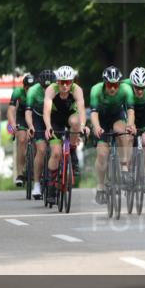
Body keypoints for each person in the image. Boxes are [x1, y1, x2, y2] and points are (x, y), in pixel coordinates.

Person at [89, 66, 136, 205]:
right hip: (101, 119)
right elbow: (93, 113)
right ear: (105, 83)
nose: (113, 89)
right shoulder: (96, 90)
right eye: (110, 85)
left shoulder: (126, 90)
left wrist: (130, 125)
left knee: (122, 132)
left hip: (117, 116)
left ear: (119, 84)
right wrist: (97, 127)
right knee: (102, 154)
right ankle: (101, 186)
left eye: (116, 85)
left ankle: (124, 167)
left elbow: (131, 111)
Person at [42, 65, 88, 200]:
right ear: (57, 81)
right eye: (62, 82)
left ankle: (72, 151)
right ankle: (51, 187)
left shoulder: (77, 90)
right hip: (55, 119)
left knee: (76, 122)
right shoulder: (51, 89)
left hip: (70, 116)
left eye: (68, 82)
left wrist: (83, 125)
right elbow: (46, 111)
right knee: (56, 153)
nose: (65, 85)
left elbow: (81, 110)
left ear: (72, 82)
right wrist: (48, 126)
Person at [24, 69, 56, 199]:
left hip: (53, 117)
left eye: (49, 87)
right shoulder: (32, 91)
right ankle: (36, 184)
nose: (46, 89)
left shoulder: (58, 89)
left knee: (56, 149)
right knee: (41, 150)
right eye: (44, 87)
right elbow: (28, 112)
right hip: (38, 118)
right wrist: (31, 126)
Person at [8, 73, 35, 187]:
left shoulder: (38, 93)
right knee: (22, 139)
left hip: (35, 117)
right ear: (24, 87)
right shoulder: (17, 92)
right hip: (22, 117)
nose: (29, 90)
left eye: (31, 88)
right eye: (27, 88)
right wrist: (13, 124)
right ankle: (20, 174)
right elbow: (11, 110)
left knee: (38, 143)